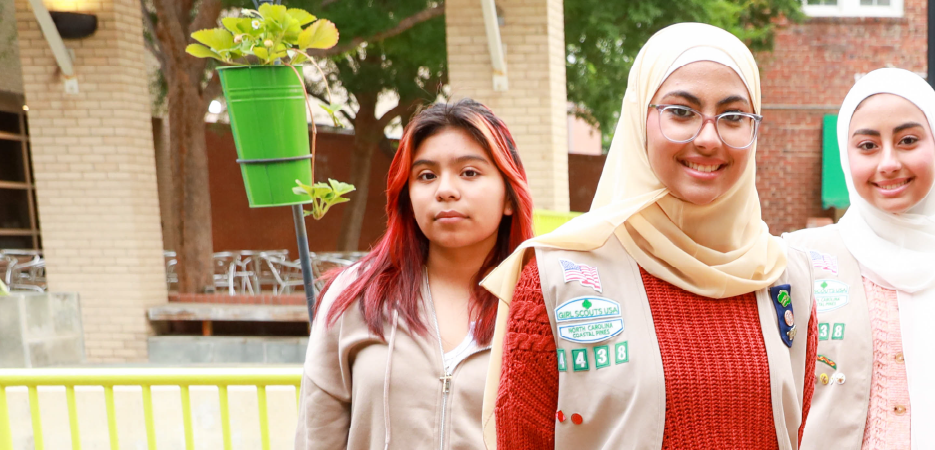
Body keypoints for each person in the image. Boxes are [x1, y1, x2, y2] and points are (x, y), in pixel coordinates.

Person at [477, 23, 817, 449]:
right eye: (681, 112)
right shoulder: (559, 277)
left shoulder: (785, 275)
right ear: (640, 117)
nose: (708, 138)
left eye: (733, 117)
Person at [788, 68, 935, 450]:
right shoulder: (799, 261)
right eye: (868, 146)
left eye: (908, 140)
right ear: (845, 154)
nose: (888, 162)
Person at [297, 99, 535, 450]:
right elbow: (316, 436)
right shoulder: (356, 296)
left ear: (509, 198)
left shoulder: (543, 301)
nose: (445, 190)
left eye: (470, 172)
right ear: (407, 196)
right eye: (426, 175)